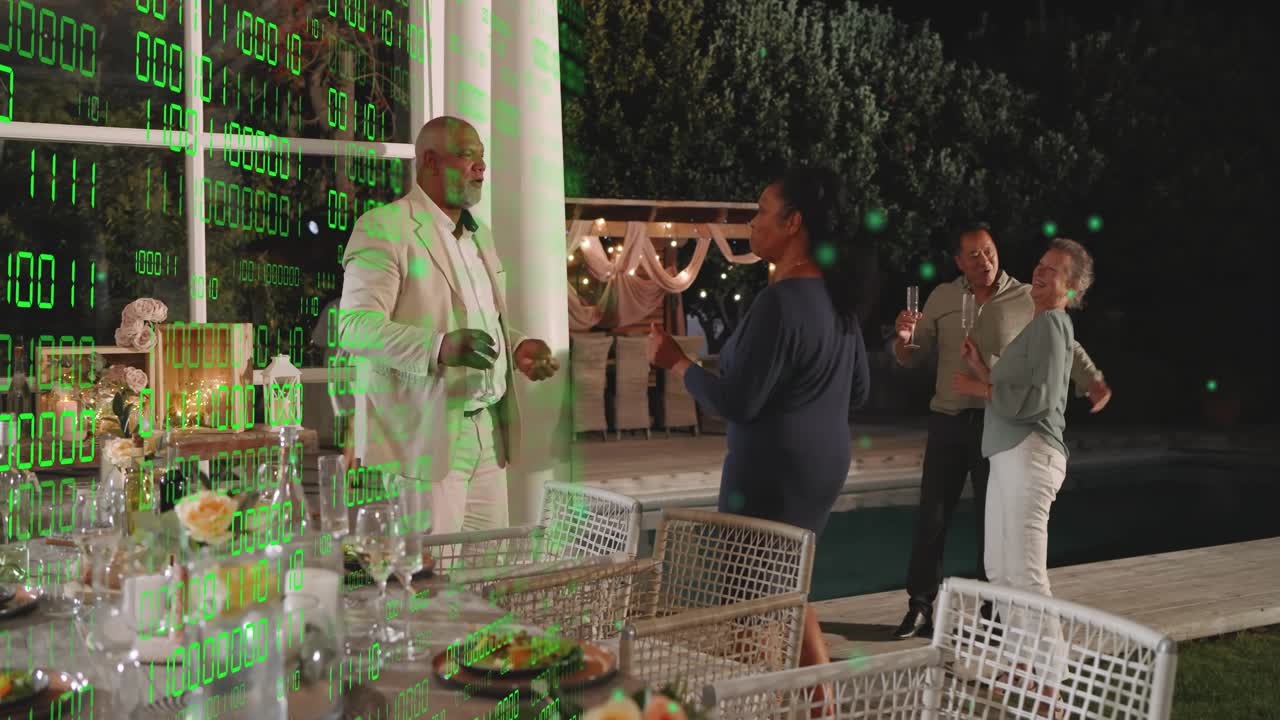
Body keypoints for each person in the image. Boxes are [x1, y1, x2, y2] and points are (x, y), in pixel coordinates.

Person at [648, 167, 871, 686]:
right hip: (822, 469)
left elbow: (737, 402)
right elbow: (858, 390)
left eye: (761, 212)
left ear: (792, 223)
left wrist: (676, 362)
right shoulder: (840, 304)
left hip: (769, 476)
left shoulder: (778, 303)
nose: (752, 223)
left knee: (747, 608)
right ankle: (822, 704)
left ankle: (762, 698)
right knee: (789, 589)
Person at [338, 115, 559, 534]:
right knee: (430, 586)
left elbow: (477, 322)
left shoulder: (480, 236)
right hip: (424, 439)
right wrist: (438, 347)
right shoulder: (384, 226)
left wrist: (515, 347)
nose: (480, 167)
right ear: (430, 162)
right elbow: (355, 327)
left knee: (487, 574)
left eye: (482, 157)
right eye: (467, 155)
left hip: (489, 433)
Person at [890, 223, 1111, 639]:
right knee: (932, 519)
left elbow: (1066, 342)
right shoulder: (942, 297)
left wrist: (1091, 378)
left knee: (995, 528)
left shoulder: (1028, 295)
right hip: (949, 421)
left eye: (989, 251)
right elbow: (912, 353)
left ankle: (994, 617)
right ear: (958, 261)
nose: (984, 260)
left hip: (1001, 425)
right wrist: (902, 339)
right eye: (973, 255)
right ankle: (920, 606)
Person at [953, 238, 1095, 715]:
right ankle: (1018, 666)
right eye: (1039, 264)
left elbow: (1036, 399)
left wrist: (980, 386)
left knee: (1028, 574)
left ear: (1070, 289)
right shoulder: (1040, 325)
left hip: (1031, 453)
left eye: (1053, 271)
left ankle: (1053, 686)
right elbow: (1020, 383)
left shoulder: (1056, 324)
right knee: (999, 566)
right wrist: (982, 366)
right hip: (1007, 452)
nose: (1039, 272)